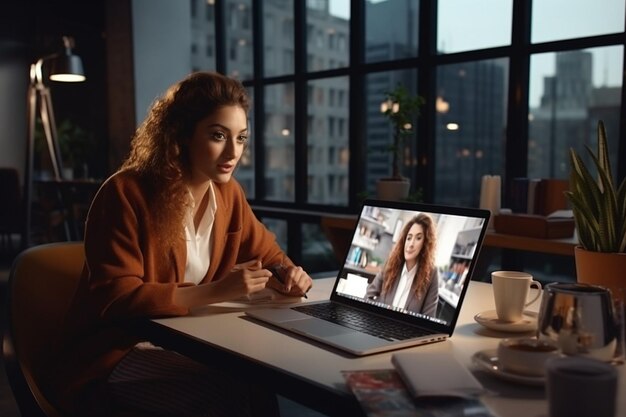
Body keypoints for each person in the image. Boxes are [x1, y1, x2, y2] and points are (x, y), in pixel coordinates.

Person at [43, 71, 313, 417]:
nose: (233, 152)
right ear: (182, 134)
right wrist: (217, 290)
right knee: (229, 394)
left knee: (254, 383)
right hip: (114, 353)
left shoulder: (228, 194)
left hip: (186, 342)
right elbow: (117, 297)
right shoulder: (126, 193)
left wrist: (288, 273)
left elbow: (268, 253)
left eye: (241, 138)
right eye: (218, 135)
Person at [365, 213, 439, 316]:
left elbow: (428, 318)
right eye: (409, 238)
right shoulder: (391, 265)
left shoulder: (432, 274)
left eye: (418, 238)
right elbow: (368, 297)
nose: (411, 244)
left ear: (425, 243)